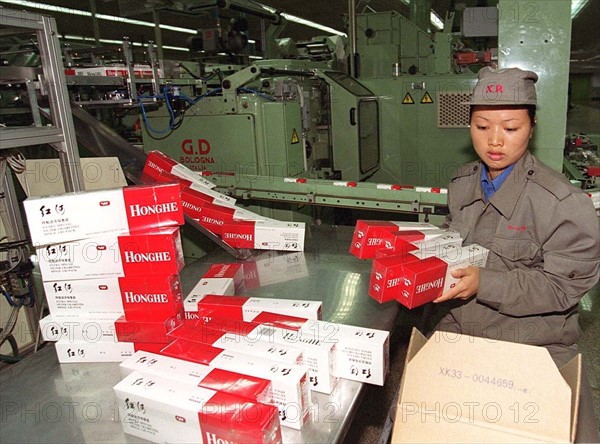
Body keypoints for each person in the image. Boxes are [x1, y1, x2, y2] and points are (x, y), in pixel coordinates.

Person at [431, 67, 600, 442]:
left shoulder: (564, 205)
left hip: (535, 341)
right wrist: (426, 252)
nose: (494, 141)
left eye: (510, 128)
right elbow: (453, 235)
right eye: (481, 126)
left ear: (532, 125)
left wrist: (483, 282)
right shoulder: (462, 182)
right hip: (462, 326)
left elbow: (562, 289)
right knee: (416, 418)